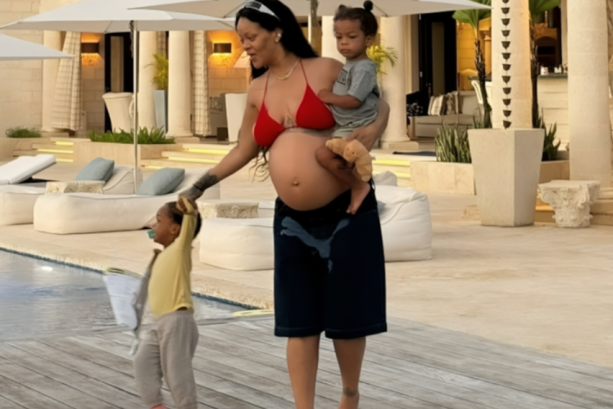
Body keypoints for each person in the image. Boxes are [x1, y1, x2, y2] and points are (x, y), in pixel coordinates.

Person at [182, 1, 389, 408]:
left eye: (251, 37)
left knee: (347, 317)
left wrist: (372, 131)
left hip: (345, 211)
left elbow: (378, 104)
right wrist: (200, 186)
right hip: (292, 220)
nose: (245, 46)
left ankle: (349, 394)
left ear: (277, 31)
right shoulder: (257, 89)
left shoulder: (325, 69)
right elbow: (244, 148)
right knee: (298, 319)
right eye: (241, 39)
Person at [133, 196, 203, 409]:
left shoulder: (180, 249)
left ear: (175, 229)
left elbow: (189, 221)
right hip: (158, 322)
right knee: (143, 363)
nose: (154, 225)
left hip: (177, 321)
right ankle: (157, 406)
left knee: (176, 373)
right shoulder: (162, 254)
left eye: (159, 220)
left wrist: (189, 209)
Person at [316, 2, 380, 215]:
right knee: (340, 159)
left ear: (368, 40)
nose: (343, 42)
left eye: (351, 37)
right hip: (346, 125)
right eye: (339, 37)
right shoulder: (350, 65)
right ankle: (355, 185)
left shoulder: (364, 68)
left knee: (324, 155)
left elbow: (354, 100)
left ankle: (358, 186)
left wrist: (329, 97)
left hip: (356, 124)